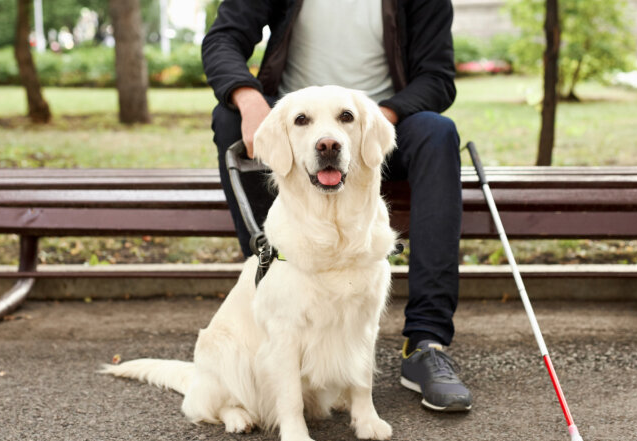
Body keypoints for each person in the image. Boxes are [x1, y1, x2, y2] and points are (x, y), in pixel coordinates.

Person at [202, 0, 471, 412]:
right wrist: (248, 96)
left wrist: (370, 117)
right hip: (297, 126)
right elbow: (223, 39)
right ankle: (274, 301)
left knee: (438, 133)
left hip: (378, 125)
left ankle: (425, 343)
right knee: (228, 119)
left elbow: (437, 78)